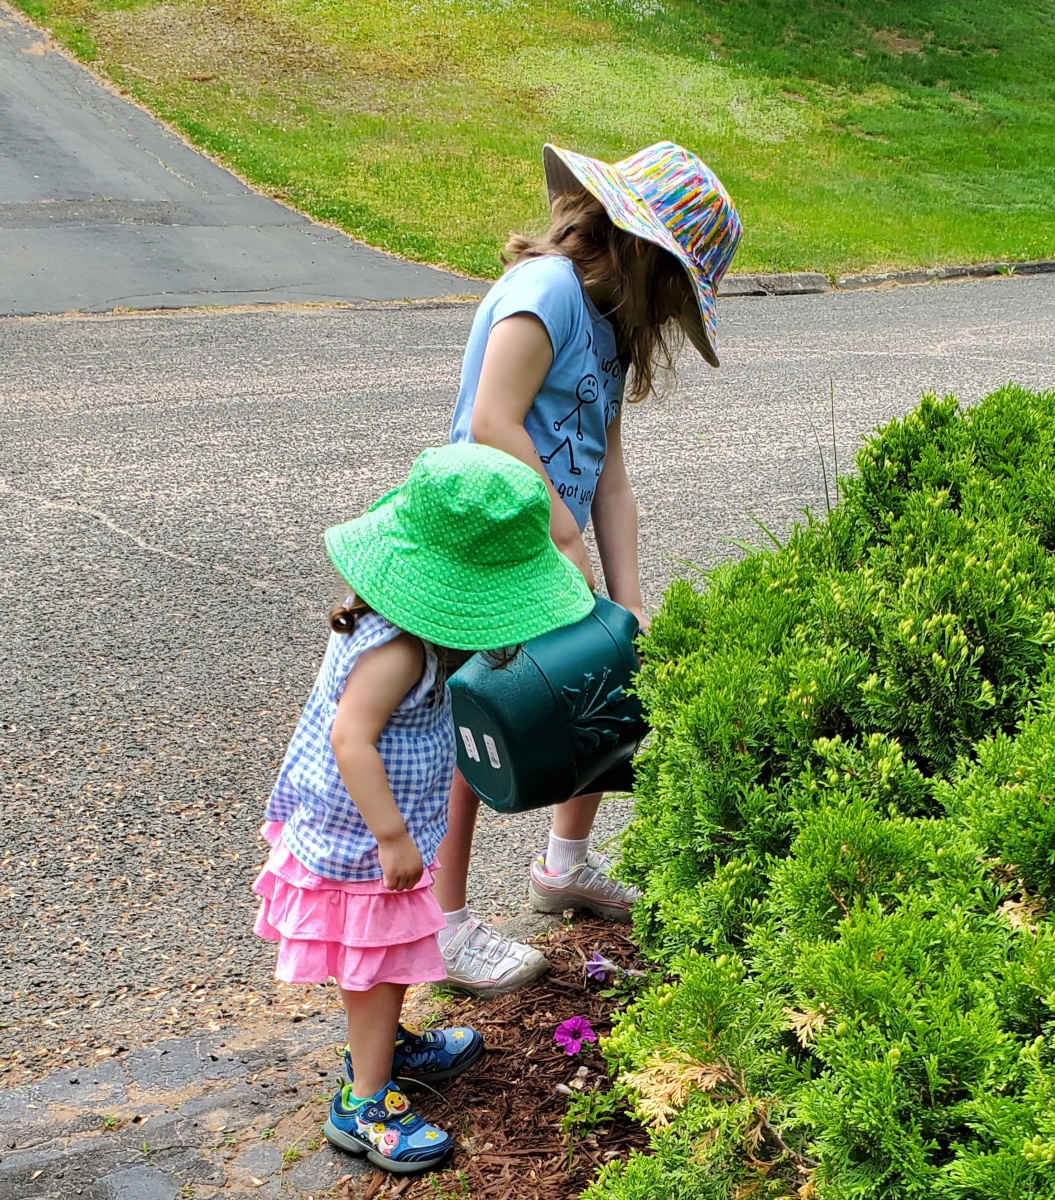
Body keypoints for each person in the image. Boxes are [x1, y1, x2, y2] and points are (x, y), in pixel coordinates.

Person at [436, 140, 743, 996]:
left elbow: (610, 475)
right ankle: (445, 924)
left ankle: (564, 866)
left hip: (552, 542)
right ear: (649, 254)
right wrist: (564, 541)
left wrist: (629, 602)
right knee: (477, 722)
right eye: (678, 288)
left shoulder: (607, 331)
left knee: (608, 687)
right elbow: (494, 423)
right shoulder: (548, 294)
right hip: (493, 539)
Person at [251, 444, 594, 1175]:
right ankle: (364, 1101)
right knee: (377, 965)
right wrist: (392, 838)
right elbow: (350, 738)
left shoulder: (415, 641)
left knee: (395, 957)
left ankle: (384, 1045)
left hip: (384, 834)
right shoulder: (400, 653)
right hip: (362, 841)